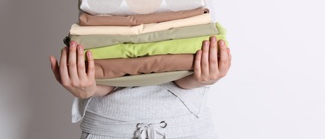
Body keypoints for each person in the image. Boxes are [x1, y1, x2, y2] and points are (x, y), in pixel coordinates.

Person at [49, 35, 231, 139]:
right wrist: (88, 87)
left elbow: (189, 63)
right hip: (109, 129)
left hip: (186, 128)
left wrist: (202, 78)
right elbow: (102, 63)